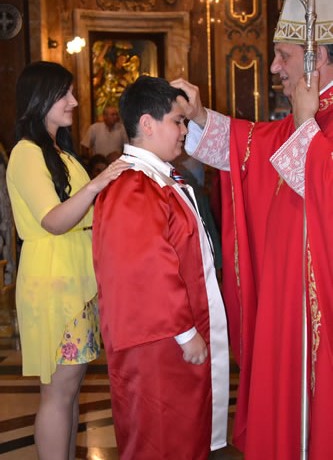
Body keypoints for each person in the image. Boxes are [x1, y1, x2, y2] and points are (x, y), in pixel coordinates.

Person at [171, 0, 333, 459]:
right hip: (289, 306)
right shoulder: (304, 123)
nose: (274, 68)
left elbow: (321, 182)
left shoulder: (316, 123)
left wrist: (306, 125)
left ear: (315, 61)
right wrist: (198, 116)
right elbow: (248, 148)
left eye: (284, 57)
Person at [92, 75, 230, 460]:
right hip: (158, 347)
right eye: (178, 121)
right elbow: (146, 266)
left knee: (182, 440)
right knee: (162, 443)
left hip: (168, 342)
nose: (185, 130)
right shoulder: (134, 185)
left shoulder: (155, 177)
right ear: (148, 124)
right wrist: (186, 334)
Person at [6, 61, 131, 460]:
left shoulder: (60, 152)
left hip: (76, 278)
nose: (74, 102)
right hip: (54, 279)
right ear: (41, 97)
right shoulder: (27, 154)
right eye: (66, 94)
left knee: (69, 388)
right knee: (58, 392)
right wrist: (99, 182)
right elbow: (55, 220)